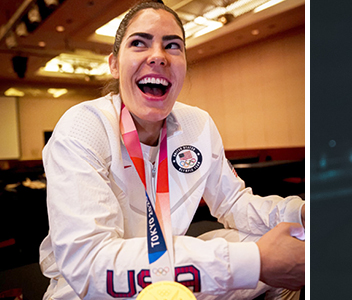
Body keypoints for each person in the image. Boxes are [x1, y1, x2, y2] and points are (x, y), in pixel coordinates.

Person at [38, 1, 305, 299]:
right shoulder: (83, 127)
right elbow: (90, 264)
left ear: (184, 65)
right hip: (91, 290)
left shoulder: (197, 124)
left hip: (172, 269)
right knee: (261, 257)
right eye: (139, 43)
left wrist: (301, 214)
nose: (158, 56)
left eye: (173, 46)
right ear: (114, 64)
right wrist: (256, 263)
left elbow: (233, 204)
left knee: (285, 242)